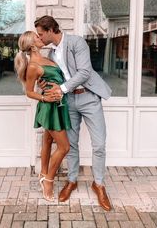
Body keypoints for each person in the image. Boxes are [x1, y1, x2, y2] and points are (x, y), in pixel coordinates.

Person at [35, 15, 112, 211]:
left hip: (89, 97)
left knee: (99, 144)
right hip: (68, 102)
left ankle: (99, 184)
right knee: (71, 144)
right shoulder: (51, 56)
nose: (39, 37)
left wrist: (61, 89)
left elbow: (84, 72)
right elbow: (52, 78)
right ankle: (72, 181)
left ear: (51, 30)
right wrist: (44, 85)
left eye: (41, 33)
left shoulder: (77, 42)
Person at [14, 31, 71, 201]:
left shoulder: (47, 58)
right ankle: (48, 181)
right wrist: (45, 96)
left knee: (47, 141)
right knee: (64, 147)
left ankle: (43, 172)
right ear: (32, 45)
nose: (41, 38)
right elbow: (29, 92)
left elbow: (57, 79)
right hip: (49, 108)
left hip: (59, 105)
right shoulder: (32, 66)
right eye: (37, 37)